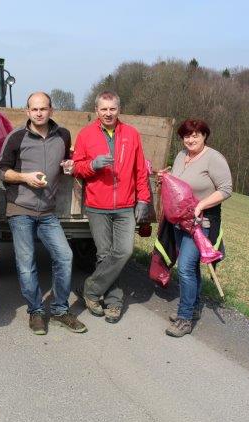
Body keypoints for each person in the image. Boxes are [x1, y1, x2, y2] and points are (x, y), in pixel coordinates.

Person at [0, 92, 86, 335]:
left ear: (51, 110)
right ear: (27, 111)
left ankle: (59, 310)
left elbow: (66, 162)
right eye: (34, 109)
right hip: (20, 208)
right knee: (27, 264)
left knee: (65, 257)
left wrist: (68, 166)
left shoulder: (63, 135)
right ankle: (35, 311)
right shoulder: (16, 137)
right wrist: (25, 177)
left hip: (48, 211)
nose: (39, 113)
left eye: (43, 109)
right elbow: (2, 171)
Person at [72, 91, 151, 324]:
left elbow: (140, 171)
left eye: (112, 109)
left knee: (124, 251)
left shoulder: (132, 134)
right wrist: (92, 165)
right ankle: (114, 302)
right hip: (97, 206)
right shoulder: (86, 135)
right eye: (104, 109)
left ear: (119, 109)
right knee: (105, 255)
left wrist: (144, 200)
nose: (108, 113)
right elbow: (77, 167)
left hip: (126, 205)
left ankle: (90, 289)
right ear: (97, 110)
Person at [161, 119, 232, 337]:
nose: (190, 139)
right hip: (180, 221)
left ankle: (184, 319)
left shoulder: (214, 158)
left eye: (195, 135)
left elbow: (226, 189)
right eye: (186, 136)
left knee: (184, 268)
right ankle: (191, 309)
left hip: (201, 223)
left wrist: (201, 205)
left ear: (204, 136)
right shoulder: (182, 156)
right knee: (190, 268)